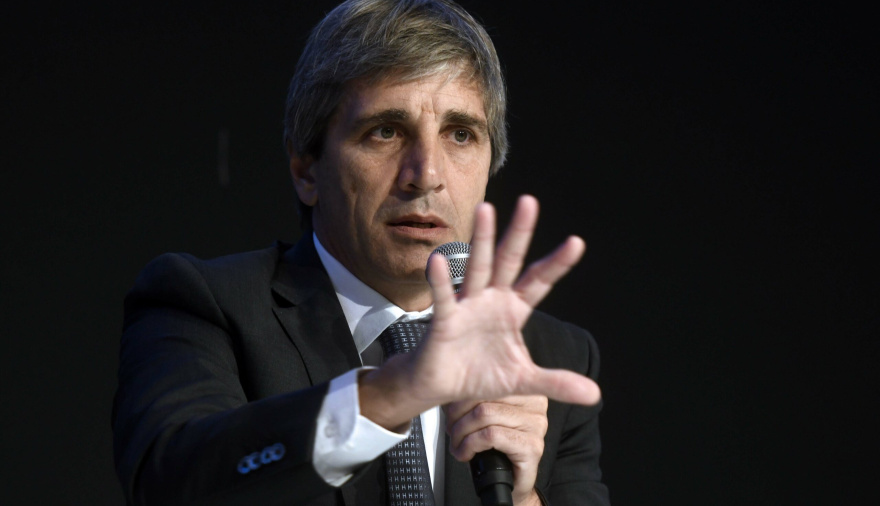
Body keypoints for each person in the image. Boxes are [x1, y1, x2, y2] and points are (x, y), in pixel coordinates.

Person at [112, 1, 610, 505]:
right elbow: (170, 483)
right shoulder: (206, 305)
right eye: (386, 131)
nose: (426, 175)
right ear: (306, 170)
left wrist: (523, 499)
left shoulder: (550, 358)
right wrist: (396, 390)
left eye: (460, 135)